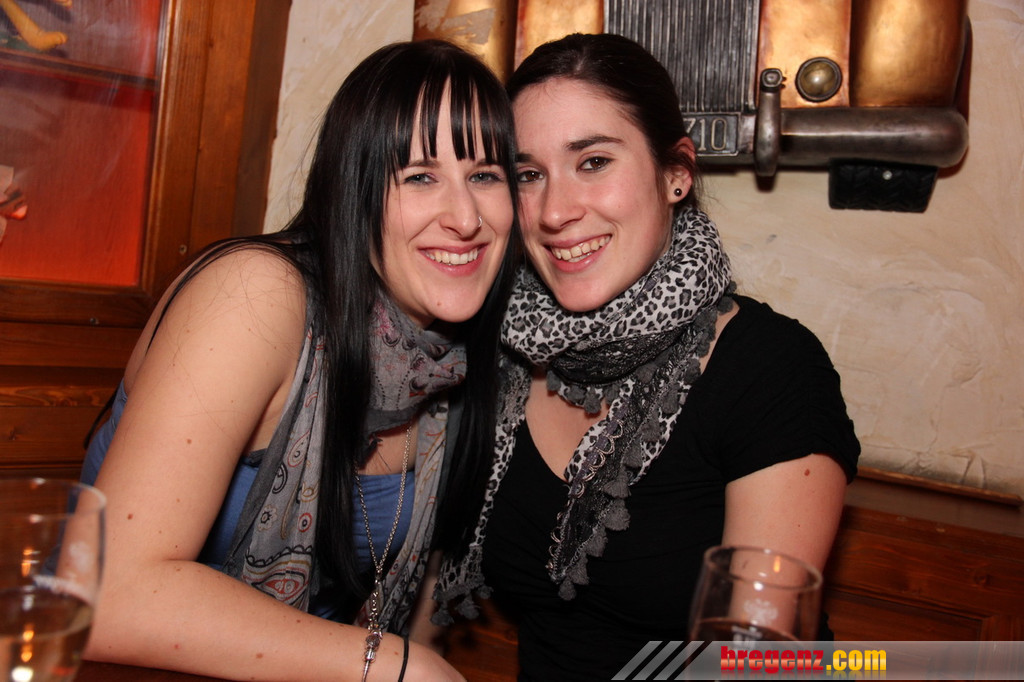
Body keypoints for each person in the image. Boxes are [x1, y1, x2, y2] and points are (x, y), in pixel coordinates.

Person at [81, 39, 519, 681]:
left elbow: (422, 601)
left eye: (484, 176)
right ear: (353, 189)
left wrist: (411, 659)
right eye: (420, 176)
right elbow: (108, 595)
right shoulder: (255, 294)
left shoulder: (459, 355)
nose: (466, 217)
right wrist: (398, 665)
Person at [434, 33, 860, 680]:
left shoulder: (771, 368)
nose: (555, 211)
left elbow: (759, 660)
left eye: (594, 161)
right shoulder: (501, 351)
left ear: (676, 173)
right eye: (528, 175)